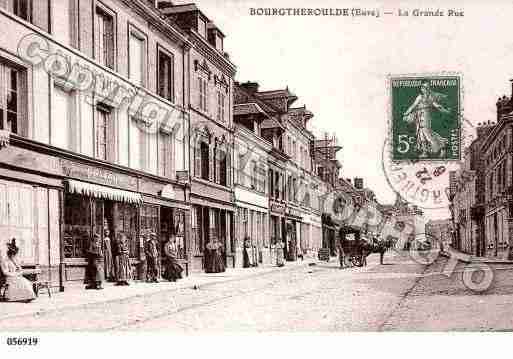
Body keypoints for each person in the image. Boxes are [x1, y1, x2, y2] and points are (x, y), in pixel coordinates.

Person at [403, 81, 451, 158]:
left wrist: (445, 111)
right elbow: (413, 106)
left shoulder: (430, 97)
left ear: (429, 88)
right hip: (418, 116)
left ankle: (442, 146)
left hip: (426, 116)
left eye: (426, 87)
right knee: (421, 134)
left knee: (427, 133)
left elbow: (437, 106)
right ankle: (424, 152)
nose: (424, 89)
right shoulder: (419, 97)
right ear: (421, 88)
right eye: (423, 87)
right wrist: (406, 113)